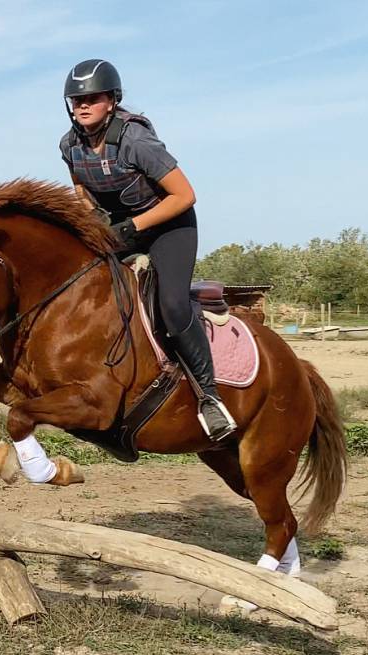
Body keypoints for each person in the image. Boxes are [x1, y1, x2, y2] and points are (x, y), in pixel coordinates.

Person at [60, 58, 236, 441]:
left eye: (92, 98)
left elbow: (185, 195)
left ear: (112, 100)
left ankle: (209, 396)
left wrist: (133, 226)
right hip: (124, 230)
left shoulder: (137, 141)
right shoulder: (70, 145)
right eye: (76, 100)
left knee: (171, 306)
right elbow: (80, 189)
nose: (83, 105)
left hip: (170, 227)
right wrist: (95, 217)